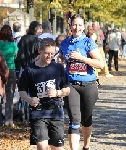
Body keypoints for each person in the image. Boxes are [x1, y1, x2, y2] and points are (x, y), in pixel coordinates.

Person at [58, 14, 104, 150]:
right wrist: (60, 61)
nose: (76, 27)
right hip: (71, 84)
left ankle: (86, 146)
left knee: (86, 119)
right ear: (70, 25)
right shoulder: (65, 43)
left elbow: (100, 64)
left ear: (83, 27)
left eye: (79, 25)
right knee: (74, 120)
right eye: (74, 24)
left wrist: (82, 58)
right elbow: (61, 57)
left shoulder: (89, 42)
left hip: (89, 85)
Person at [18, 38, 70, 150]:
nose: (50, 56)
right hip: (38, 112)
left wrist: (57, 92)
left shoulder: (58, 68)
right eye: (47, 53)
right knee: (42, 146)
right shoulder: (30, 69)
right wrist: (29, 99)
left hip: (56, 112)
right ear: (39, 51)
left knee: (58, 148)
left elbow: (67, 90)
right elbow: (21, 90)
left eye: (52, 53)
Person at [0, 25, 19, 127]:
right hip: (11, 70)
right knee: (10, 95)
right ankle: (8, 121)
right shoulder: (13, 45)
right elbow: (16, 56)